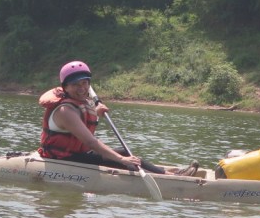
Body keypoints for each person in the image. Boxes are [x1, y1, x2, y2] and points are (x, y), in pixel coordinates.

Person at [38, 60, 198, 176]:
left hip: (78, 154)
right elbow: (90, 142)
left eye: (85, 83)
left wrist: (96, 111)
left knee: (124, 153)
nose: (82, 89)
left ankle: (169, 171)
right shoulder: (65, 110)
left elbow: (84, 126)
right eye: (75, 85)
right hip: (63, 158)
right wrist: (122, 160)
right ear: (65, 87)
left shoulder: (82, 103)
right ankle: (170, 177)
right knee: (122, 157)